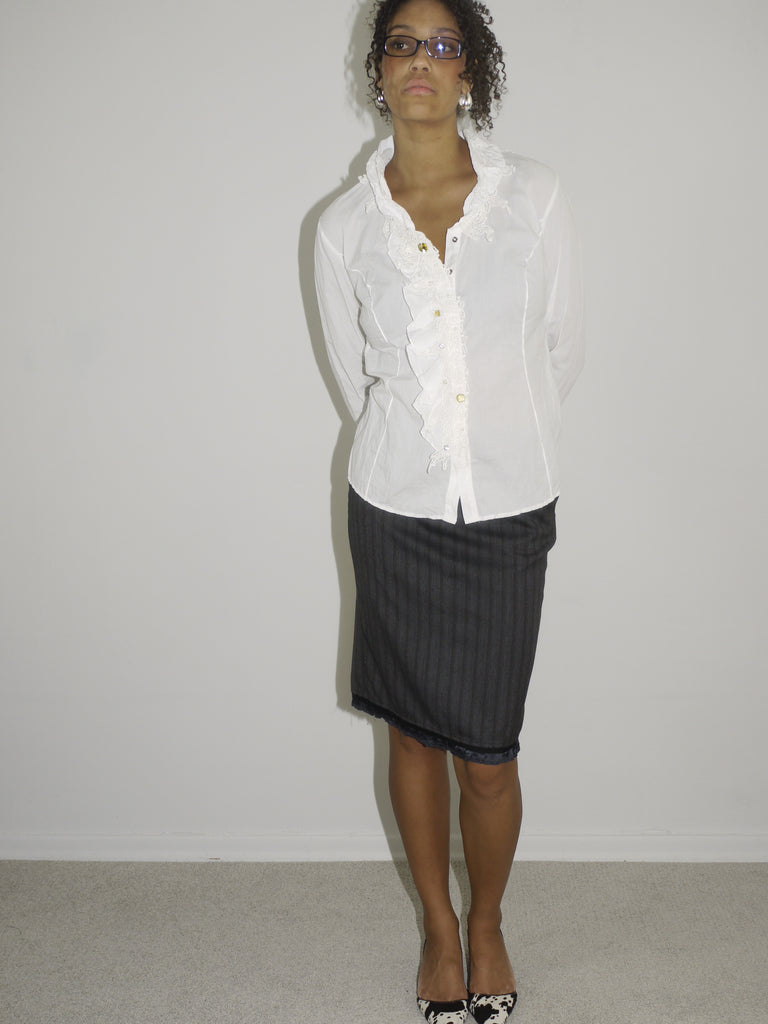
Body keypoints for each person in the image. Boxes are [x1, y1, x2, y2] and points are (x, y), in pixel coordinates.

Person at [314, 1, 584, 1021]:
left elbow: (560, 349)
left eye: (441, 44)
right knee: (414, 738)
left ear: (470, 71)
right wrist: (425, 460)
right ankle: (438, 925)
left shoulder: (537, 200)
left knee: (490, 750)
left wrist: (494, 449)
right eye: (400, 43)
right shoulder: (342, 229)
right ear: (376, 70)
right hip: (394, 506)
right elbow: (362, 383)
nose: (419, 60)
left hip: (510, 507)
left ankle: (491, 919)